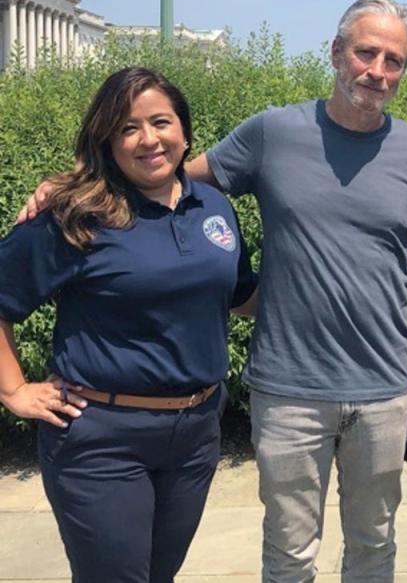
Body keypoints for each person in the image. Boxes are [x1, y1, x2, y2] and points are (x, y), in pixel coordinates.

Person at [185, 0, 407, 581]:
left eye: (394, 60)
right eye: (366, 53)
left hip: (383, 392)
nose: (378, 72)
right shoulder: (272, 133)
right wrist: (74, 187)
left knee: (374, 547)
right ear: (336, 52)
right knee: (288, 556)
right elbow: (173, 184)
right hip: (288, 390)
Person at [0, 67, 257, 583]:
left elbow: (242, 297)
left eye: (160, 122)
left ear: (184, 130)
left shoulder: (213, 206)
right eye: (128, 127)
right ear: (108, 140)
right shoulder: (75, 214)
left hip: (196, 431)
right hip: (101, 437)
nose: (148, 139)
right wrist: (13, 390)